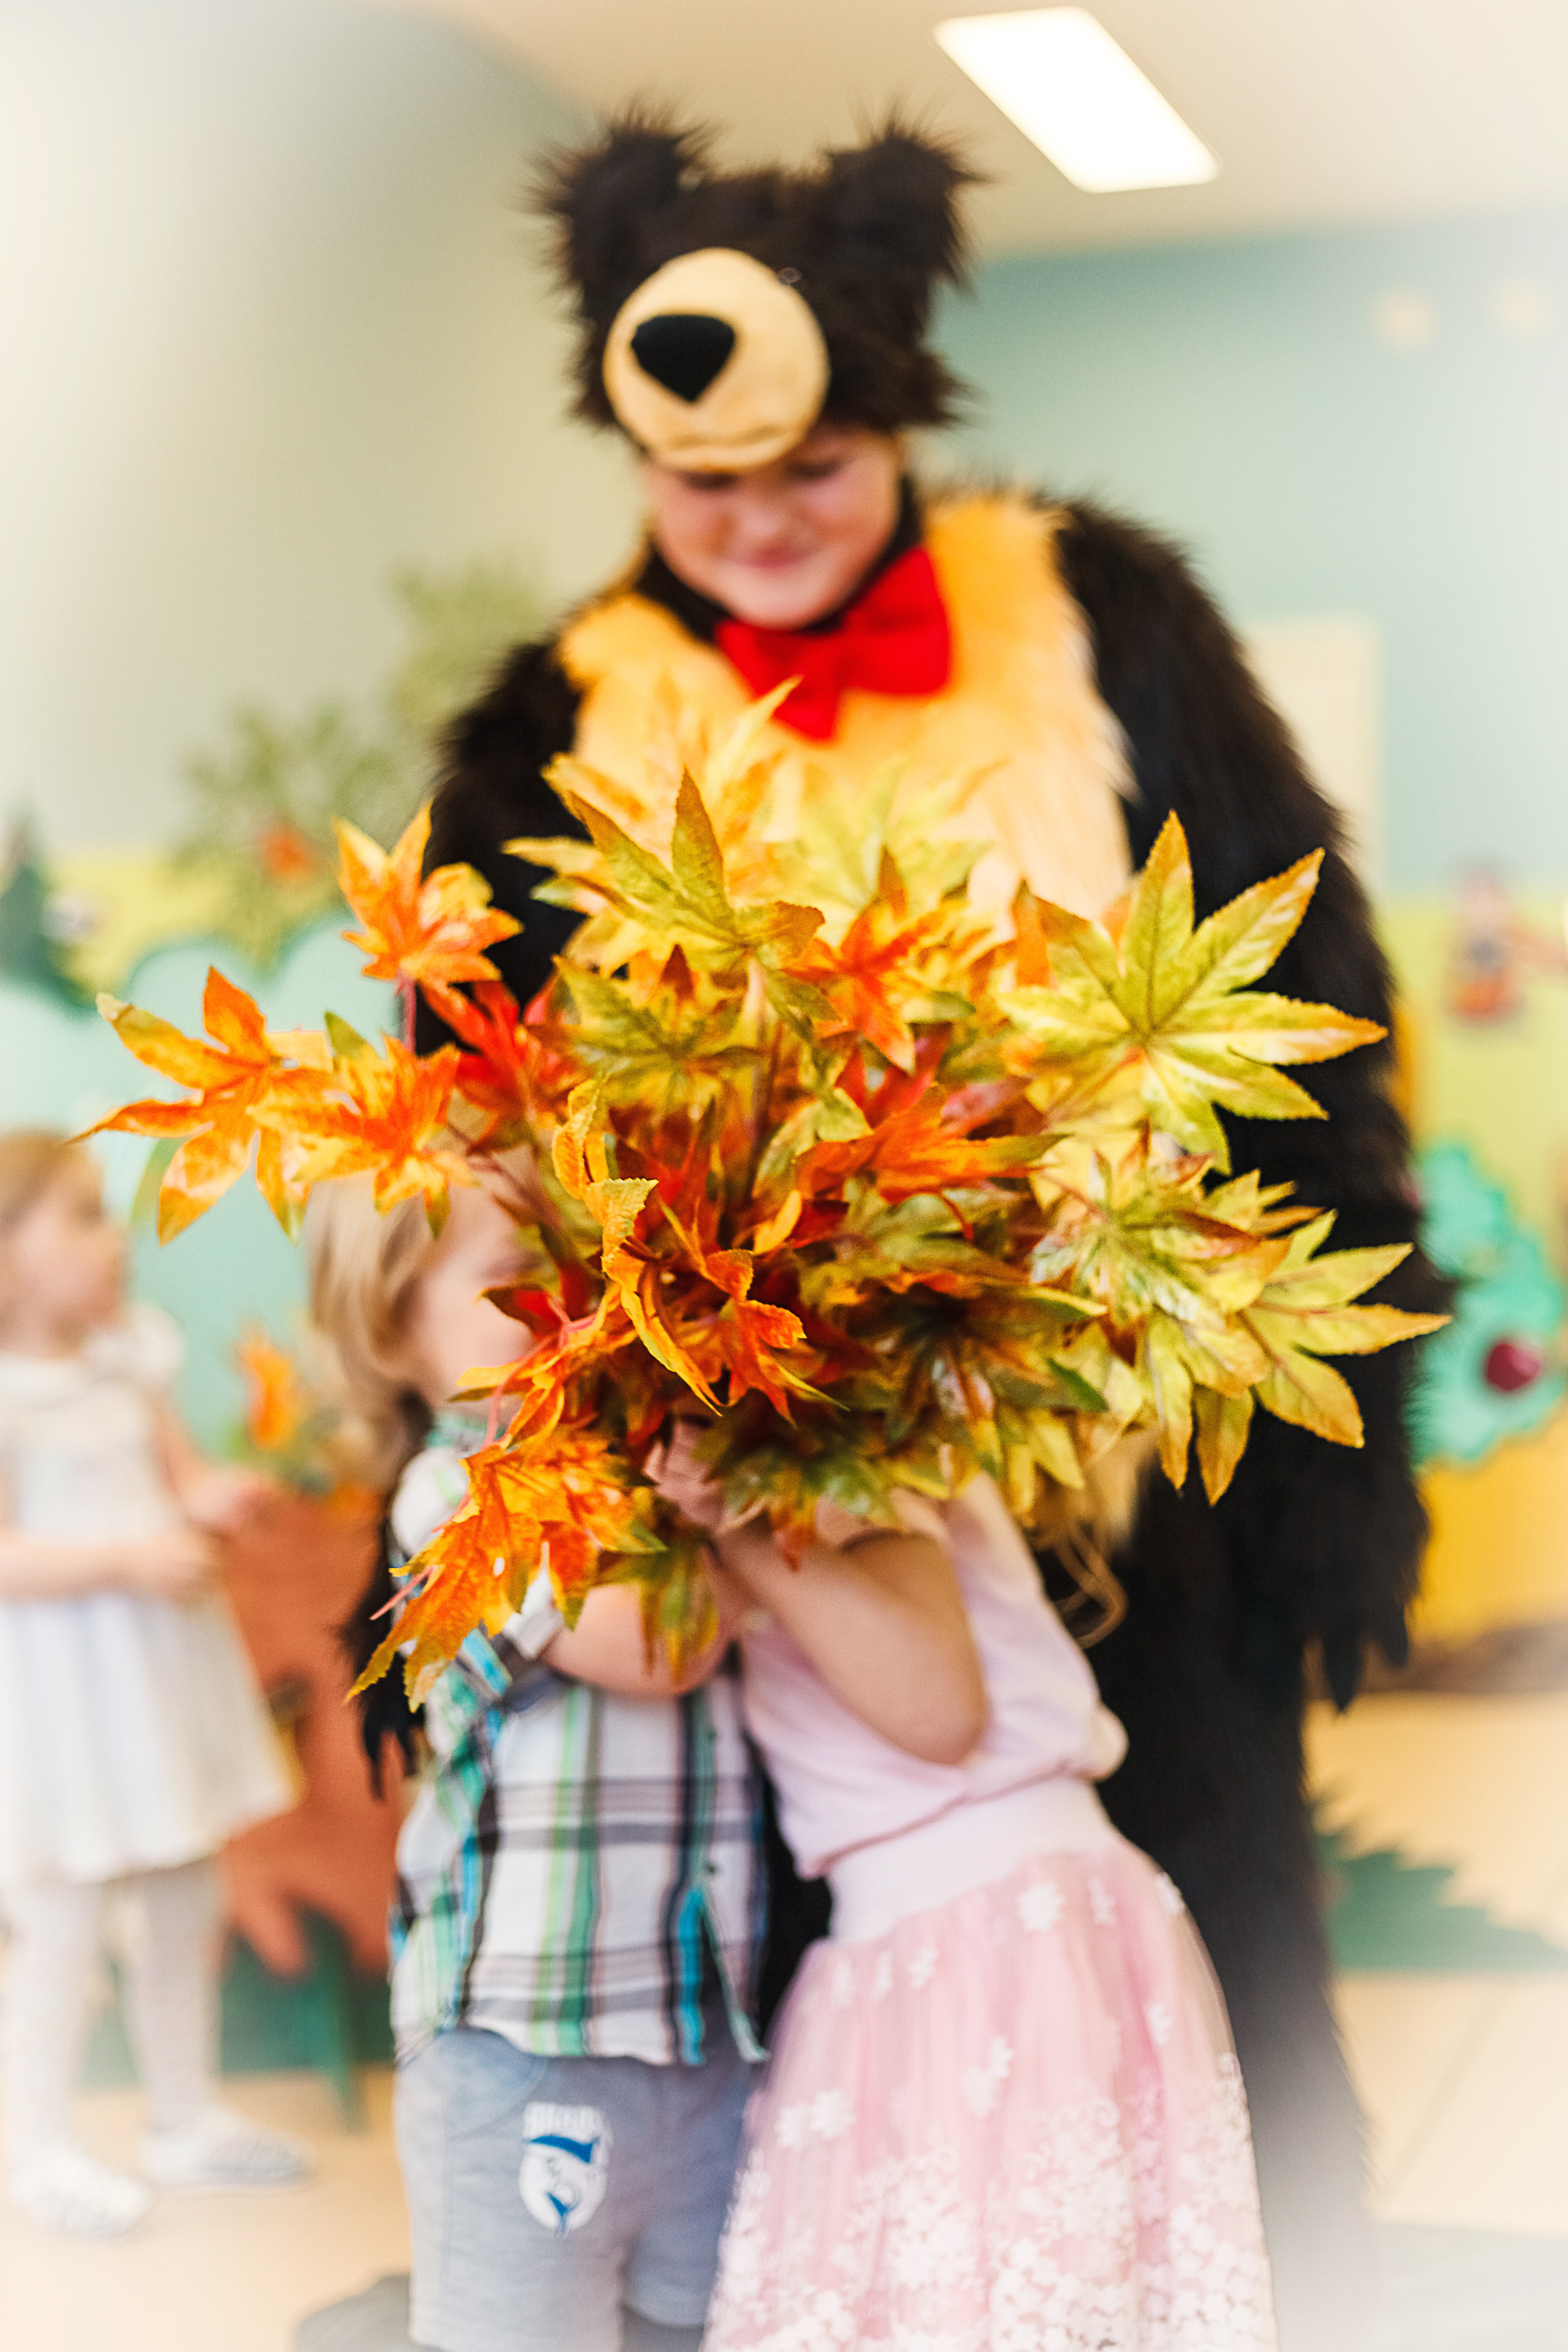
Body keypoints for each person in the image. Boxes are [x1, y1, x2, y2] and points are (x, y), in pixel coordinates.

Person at [416, 114, 1444, 2346]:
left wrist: (1345, 1448)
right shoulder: (542, 729)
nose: (769, 520)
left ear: (900, 426)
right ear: (640, 458)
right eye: (714, 486)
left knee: (1210, 1960)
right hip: (781, 1493)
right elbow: (475, 1142)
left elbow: (1322, 1016)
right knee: (853, 2057)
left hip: (1146, 1453)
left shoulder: (1106, 616)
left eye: (821, 465)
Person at [651, 1425, 1277, 2346]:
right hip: (936, 1931)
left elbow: (938, 1708)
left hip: (984, 1938)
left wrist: (739, 1531)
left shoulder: (856, 1442)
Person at [298, 1171, 763, 2352]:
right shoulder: (451, 1496)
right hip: (526, 2037)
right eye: (509, 1285)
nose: (559, 1310)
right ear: (391, 1324)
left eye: (572, 1275)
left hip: (694, 2020)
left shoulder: (630, 1472)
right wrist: (725, 1521)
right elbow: (659, 1647)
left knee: (688, 2328)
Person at [0, 1131, 308, 2238]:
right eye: (80, 1215)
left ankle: (183, 2120)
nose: (113, 1237)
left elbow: (181, 1476)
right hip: (61, 1703)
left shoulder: (130, 1359)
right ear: (5, 1256)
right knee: (64, 1926)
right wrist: (128, 1559)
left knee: (188, 1899)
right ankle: (37, 2147)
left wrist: (218, 1498)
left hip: (158, 1686)